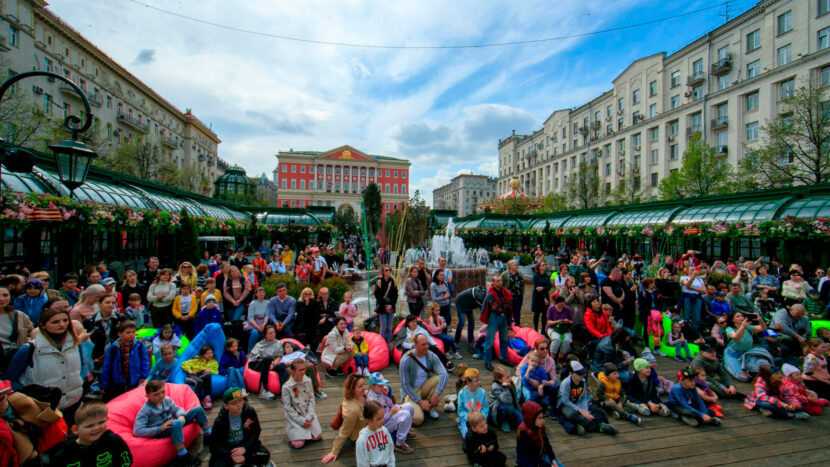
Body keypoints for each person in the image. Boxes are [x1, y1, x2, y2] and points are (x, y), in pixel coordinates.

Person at [133, 380, 211, 466]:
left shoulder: (166, 400)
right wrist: (159, 428)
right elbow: (137, 430)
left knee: (198, 409)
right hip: (161, 430)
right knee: (176, 423)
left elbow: (176, 409)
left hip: (173, 423)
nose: (161, 396)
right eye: (156, 394)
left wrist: (181, 415)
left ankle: (208, 435)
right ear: (147, 396)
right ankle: (183, 455)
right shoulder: (145, 410)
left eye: (162, 392)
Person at [43, 400, 132, 467]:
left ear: (107, 420)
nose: (97, 428)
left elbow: (125, 460)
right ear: (75, 429)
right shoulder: (64, 453)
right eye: (89, 426)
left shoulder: (113, 440)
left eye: (101, 422)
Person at [208, 386, 270, 466]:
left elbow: (256, 430)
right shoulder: (220, 420)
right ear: (226, 406)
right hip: (228, 447)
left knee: (263, 455)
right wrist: (231, 454)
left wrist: (245, 448)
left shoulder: (249, 411)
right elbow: (214, 444)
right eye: (234, 403)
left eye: (240, 400)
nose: (239, 405)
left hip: (245, 443)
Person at [400, 333, 449, 426]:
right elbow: (405, 385)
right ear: (415, 345)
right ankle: (419, 405)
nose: (426, 346)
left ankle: (430, 405)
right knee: (418, 420)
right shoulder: (406, 360)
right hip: (410, 392)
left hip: (424, 386)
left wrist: (436, 394)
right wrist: (420, 401)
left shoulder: (431, 356)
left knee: (439, 379)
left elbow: (444, 374)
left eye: (427, 344)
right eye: (423, 344)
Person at [558, 360, 616, 436]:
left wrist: (585, 410)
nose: (582, 376)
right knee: (571, 415)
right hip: (567, 405)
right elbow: (565, 401)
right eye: (579, 374)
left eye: (582, 373)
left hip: (579, 404)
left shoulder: (583, 381)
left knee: (601, 412)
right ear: (571, 373)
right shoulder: (566, 383)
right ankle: (598, 426)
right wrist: (581, 412)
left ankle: (593, 424)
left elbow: (584, 398)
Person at [322, 373, 368, 464]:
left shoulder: (361, 395)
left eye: (364, 384)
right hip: (359, 435)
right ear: (352, 389)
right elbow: (344, 431)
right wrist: (335, 451)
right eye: (360, 386)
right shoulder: (352, 411)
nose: (364, 388)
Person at [366, 371, 415, 454]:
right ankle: (399, 443)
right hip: (383, 424)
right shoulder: (372, 402)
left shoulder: (380, 392)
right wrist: (391, 413)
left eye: (382, 385)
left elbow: (389, 403)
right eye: (379, 385)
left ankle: (405, 429)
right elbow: (377, 422)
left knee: (410, 406)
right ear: (372, 387)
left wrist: (396, 408)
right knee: (406, 414)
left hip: (389, 414)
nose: (382, 387)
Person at [281, 358, 323, 449]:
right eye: (300, 370)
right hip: (296, 417)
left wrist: (310, 416)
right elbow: (288, 408)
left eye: (304, 369)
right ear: (293, 371)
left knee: (317, 436)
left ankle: (305, 433)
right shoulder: (286, 387)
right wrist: (301, 421)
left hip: (308, 413)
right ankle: (296, 434)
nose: (303, 372)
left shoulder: (308, 381)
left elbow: (312, 399)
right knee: (298, 444)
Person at [743, 364, 809, 419]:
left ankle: (773, 411)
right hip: (764, 400)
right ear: (769, 376)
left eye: (779, 373)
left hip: (777, 401)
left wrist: (793, 404)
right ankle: (791, 415)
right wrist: (781, 403)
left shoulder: (781, 383)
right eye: (776, 374)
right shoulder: (760, 383)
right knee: (765, 404)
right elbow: (762, 397)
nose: (780, 375)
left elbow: (790, 396)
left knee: (799, 407)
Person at [724, 310, 768, 381]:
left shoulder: (748, 327)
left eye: (742, 316)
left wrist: (760, 320)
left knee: (765, 367)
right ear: (732, 319)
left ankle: (750, 369)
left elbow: (763, 328)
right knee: (743, 378)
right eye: (738, 316)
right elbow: (737, 337)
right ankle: (727, 364)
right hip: (733, 354)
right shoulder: (729, 329)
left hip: (746, 353)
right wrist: (742, 326)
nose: (741, 317)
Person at [481, 273, 513, 371]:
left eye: (500, 281)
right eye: (497, 281)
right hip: (494, 318)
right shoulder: (490, 294)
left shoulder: (505, 293)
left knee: (504, 339)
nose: (500, 282)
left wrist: (509, 323)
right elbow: (484, 307)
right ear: (493, 282)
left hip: (503, 317)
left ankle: (504, 358)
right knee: (489, 341)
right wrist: (486, 321)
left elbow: (509, 307)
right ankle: (488, 362)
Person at [516, 400, 562, 467]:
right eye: (539, 418)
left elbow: (546, 443)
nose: (542, 421)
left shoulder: (540, 426)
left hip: (540, 455)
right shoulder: (522, 430)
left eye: (542, 417)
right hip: (527, 460)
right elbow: (531, 453)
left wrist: (552, 458)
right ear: (531, 418)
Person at [0, 287, 34, 376]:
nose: (1, 299)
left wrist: (27, 342)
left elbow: (31, 332)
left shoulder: (19, 315)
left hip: (17, 358)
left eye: (5, 295)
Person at [248, 325, 285, 400]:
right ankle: (263, 390)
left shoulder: (278, 343)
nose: (272, 335)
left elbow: (279, 356)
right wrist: (266, 362)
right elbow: (255, 356)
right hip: (260, 364)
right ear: (265, 335)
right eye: (270, 333)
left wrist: (273, 364)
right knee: (267, 359)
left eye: (274, 332)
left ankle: (283, 391)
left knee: (282, 365)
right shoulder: (259, 344)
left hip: (272, 364)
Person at [355, 400, 397, 467]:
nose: (382, 420)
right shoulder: (362, 441)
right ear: (367, 420)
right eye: (378, 419)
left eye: (383, 416)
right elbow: (362, 463)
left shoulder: (384, 430)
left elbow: (390, 451)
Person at [182, 344, 219, 409]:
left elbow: (216, 371)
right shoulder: (196, 360)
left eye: (211, 353)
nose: (210, 355)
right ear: (203, 355)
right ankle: (195, 401)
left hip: (201, 376)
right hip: (192, 376)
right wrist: (189, 370)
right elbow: (184, 364)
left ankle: (207, 398)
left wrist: (209, 371)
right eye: (207, 354)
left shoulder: (214, 362)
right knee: (199, 381)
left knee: (206, 376)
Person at [457, 367, 488, 438]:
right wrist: (468, 418)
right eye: (476, 381)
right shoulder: (462, 393)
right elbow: (461, 410)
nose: (479, 382)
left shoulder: (483, 392)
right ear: (468, 382)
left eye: (479, 380)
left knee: (483, 434)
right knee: (467, 436)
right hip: (468, 418)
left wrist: (482, 417)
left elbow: (485, 408)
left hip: (480, 418)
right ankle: (461, 424)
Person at [489, 365, 522, 432]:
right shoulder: (495, 387)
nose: (510, 378)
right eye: (507, 377)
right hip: (499, 407)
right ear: (499, 379)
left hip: (512, 406)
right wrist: (506, 388)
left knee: (521, 421)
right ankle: (504, 421)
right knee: (507, 407)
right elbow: (508, 401)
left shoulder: (510, 382)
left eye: (509, 376)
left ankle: (511, 420)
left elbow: (514, 397)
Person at [454, 285, 485, 351]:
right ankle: (456, 341)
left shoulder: (481, 295)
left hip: (469, 305)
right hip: (460, 303)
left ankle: (470, 341)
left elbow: (483, 311)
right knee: (462, 322)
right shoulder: (475, 296)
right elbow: (482, 309)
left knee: (471, 321)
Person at [373, 265, 399, 341]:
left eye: (390, 270)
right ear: (383, 272)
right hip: (382, 307)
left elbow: (395, 295)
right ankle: (382, 343)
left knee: (389, 328)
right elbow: (378, 296)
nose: (388, 271)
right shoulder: (379, 281)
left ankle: (389, 342)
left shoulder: (393, 281)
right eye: (386, 270)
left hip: (391, 307)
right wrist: (386, 306)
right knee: (383, 328)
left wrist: (391, 305)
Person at [546, 296, 573, 362]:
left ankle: (561, 357)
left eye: (562, 304)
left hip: (563, 330)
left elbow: (571, 321)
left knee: (566, 340)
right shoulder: (551, 308)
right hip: (553, 328)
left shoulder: (567, 309)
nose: (561, 306)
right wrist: (557, 321)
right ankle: (552, 358)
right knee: (557, 339)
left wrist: (567, 321)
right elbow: (548, 322)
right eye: (559, 305)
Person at [245, 287, 270, 352]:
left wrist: (264, 324)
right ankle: (250, 351)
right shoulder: (253, 303)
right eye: (259, 292)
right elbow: (250, 318)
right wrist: (257, 327)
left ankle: (264, 351)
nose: (261, 294)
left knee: (264, 333)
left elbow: (267, 315)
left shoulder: (267, 303)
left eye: (263, 292)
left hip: (264, 322)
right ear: (256, 294)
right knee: (254, 333)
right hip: (254, 323)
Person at [501, 260, 524, 327]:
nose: (516, 266)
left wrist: (522, 294)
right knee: (508, 313)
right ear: (510, 266)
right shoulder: (505, 274)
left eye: (517, 265)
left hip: (518, 297)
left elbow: (522, 285)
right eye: (515, 265)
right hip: (508, 298)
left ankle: (517, 327)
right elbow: (501, 285)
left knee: (517, 313)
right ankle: (508, 327)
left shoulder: (520, 274)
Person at [530, 262, 551, 333]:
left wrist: (543, 288)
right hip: (538, 297)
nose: (545, 266)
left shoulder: (547, 276)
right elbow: (537, 287)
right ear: (539, 267)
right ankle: (535, 329)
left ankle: (543, 330)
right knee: (537, 313)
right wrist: (544, 297)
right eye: (543, 265)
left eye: (545, 265)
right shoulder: (535, 276)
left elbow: (549, 286)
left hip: (545, 294)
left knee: (545, 314)